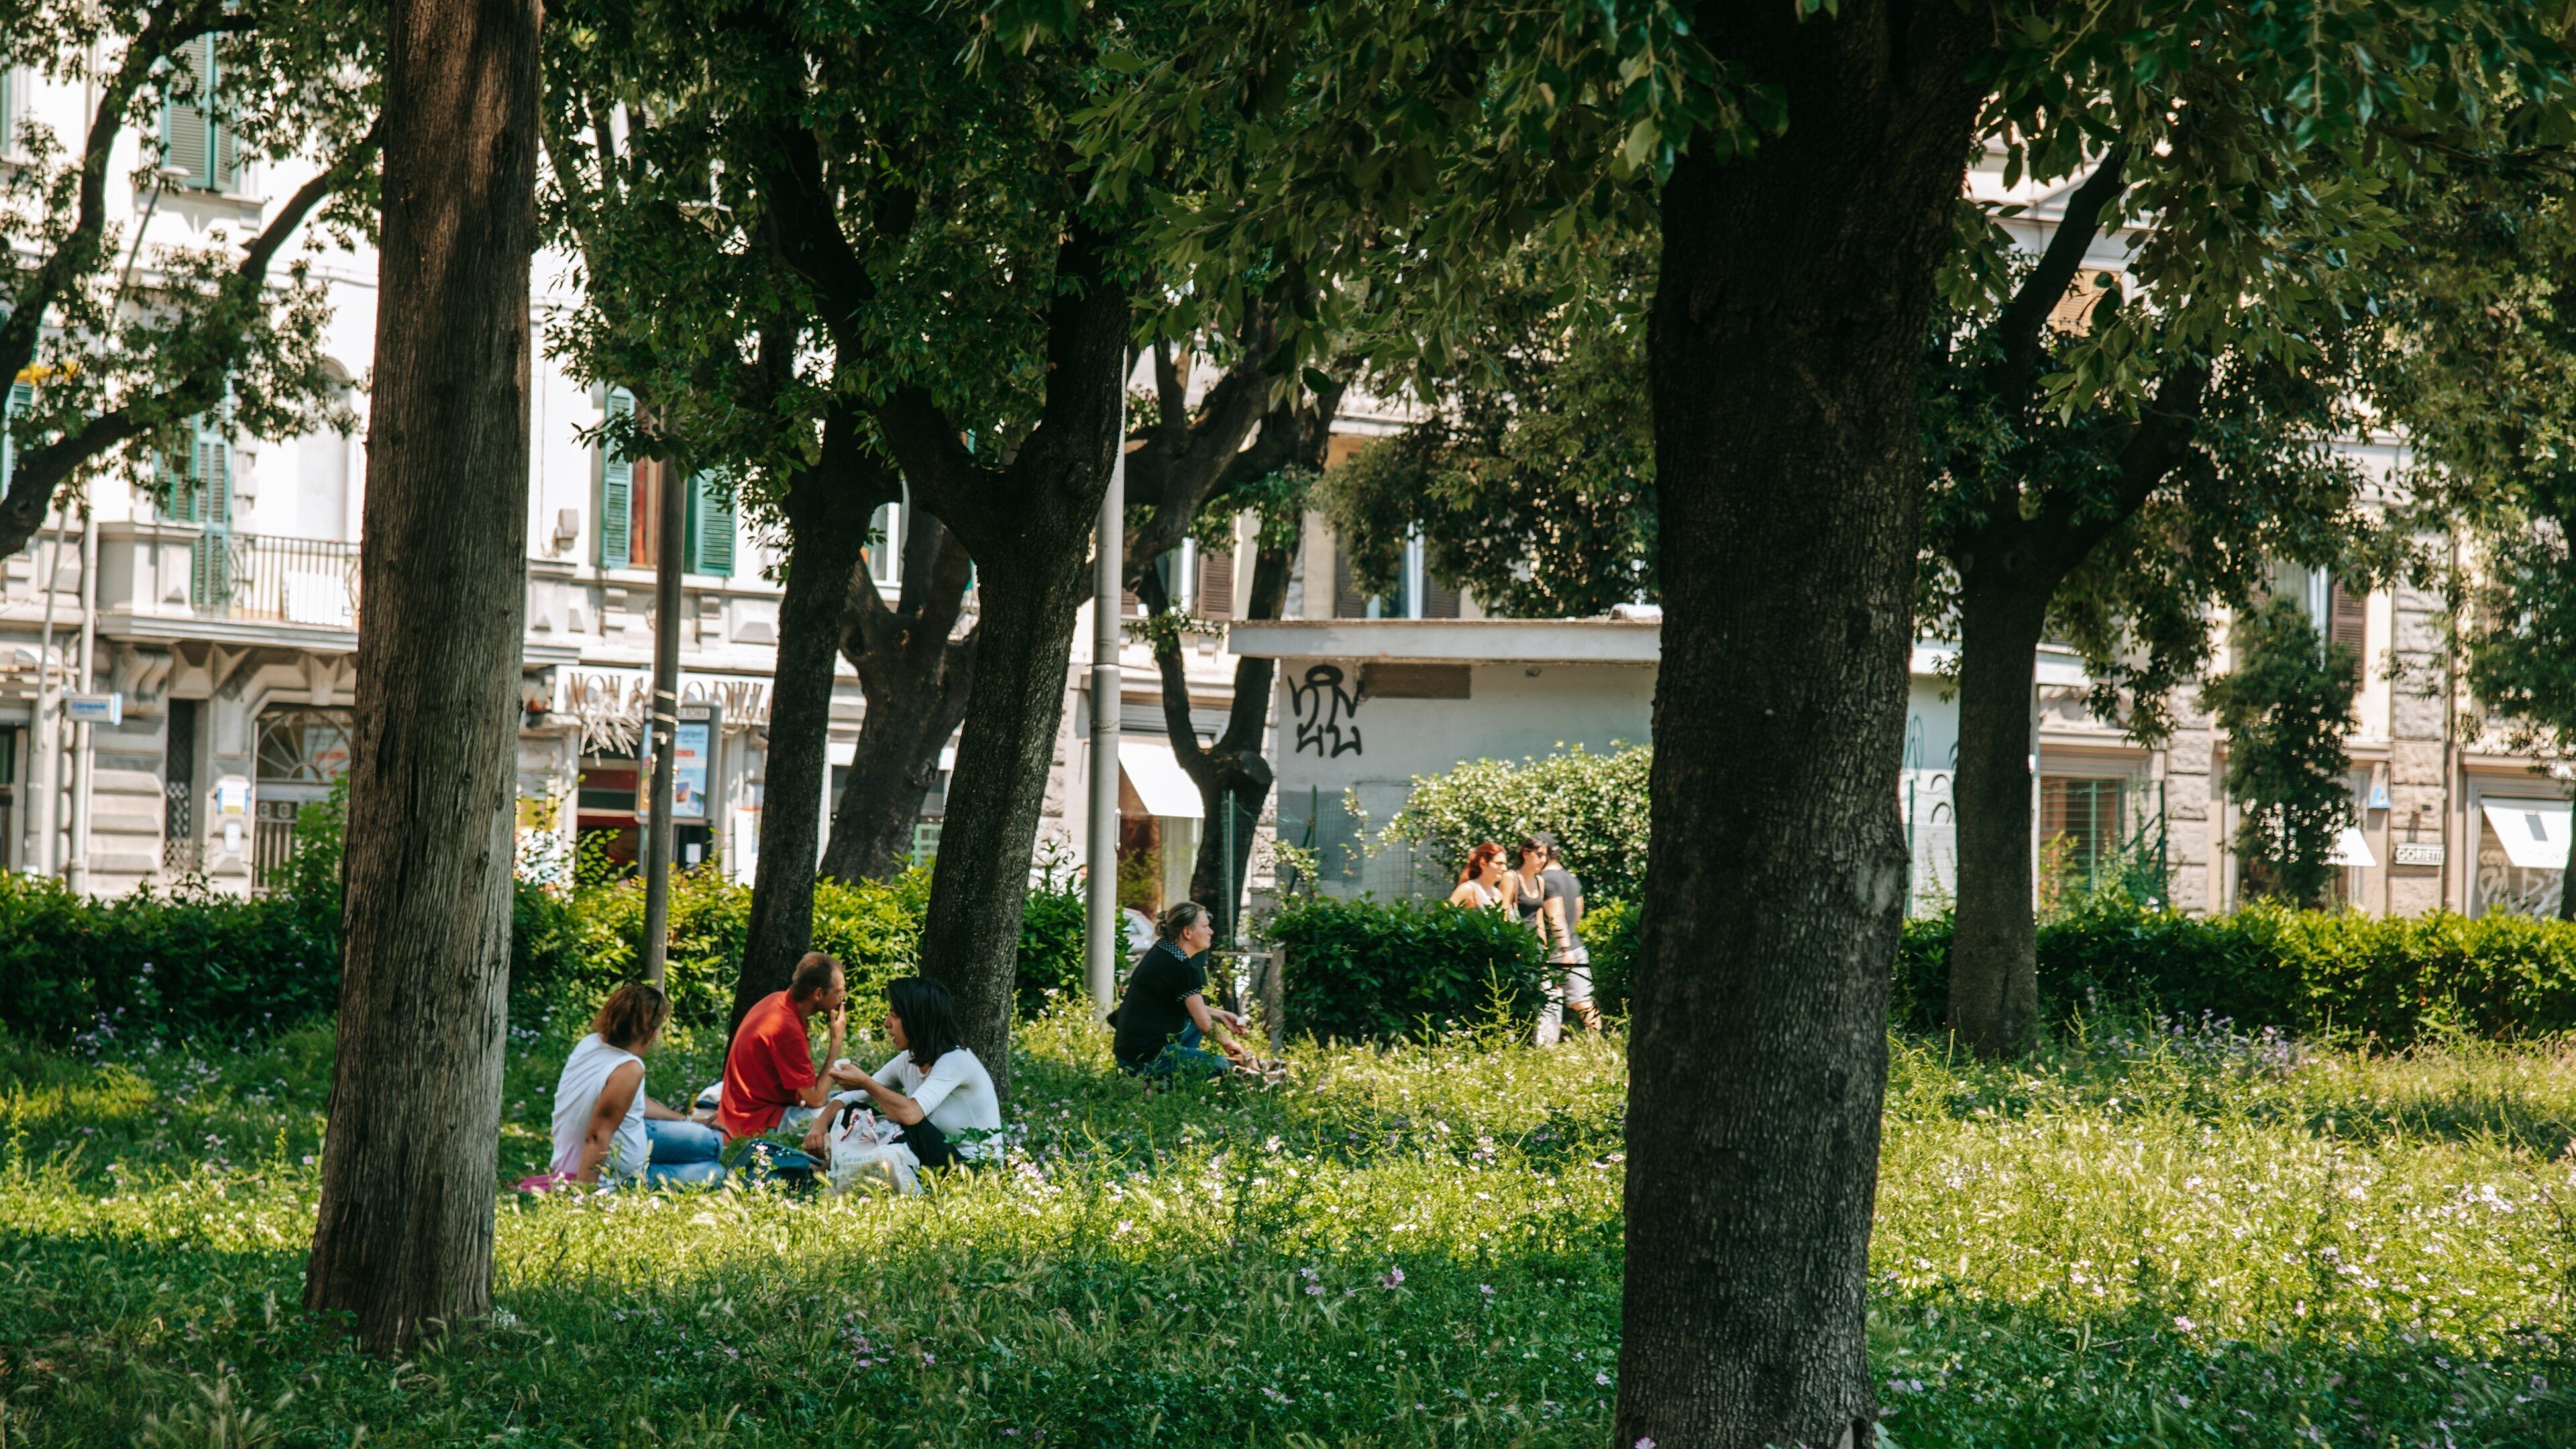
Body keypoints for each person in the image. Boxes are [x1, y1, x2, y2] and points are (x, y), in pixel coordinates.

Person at [801, 977, 1001, 1171]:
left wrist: (864, 1082)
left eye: (895, 1015)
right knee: (852, 1111)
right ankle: (833, 1170)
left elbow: (910, 1114)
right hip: (935, 1158)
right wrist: (820, 1125)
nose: (887, 1023)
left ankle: (837, 1171)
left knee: (909, 1125)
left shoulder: (955, 1061)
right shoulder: (910, 1058)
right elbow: (852, 1098)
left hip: (974, 1168)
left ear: (917, 1020)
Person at [549, 982, 724, 1186]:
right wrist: (585, 1194)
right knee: (716, 1173)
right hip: (614, 1176)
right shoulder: (629, 1069)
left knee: (709, 1140)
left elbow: (630, 1101)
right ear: (651, 1033)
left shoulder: (590, 1043)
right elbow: (597, 1136)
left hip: (613, 1145)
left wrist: (686, 1120)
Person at [1112, 901, 1250, 1079]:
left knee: (1192, 1022)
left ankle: (1168, 1074)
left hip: (1128, 1051)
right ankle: (1158, 1081)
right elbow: (1205, 1025)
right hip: (1145, 1059)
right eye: (1206, 926)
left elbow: (1179, 1005)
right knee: (1220, 1064)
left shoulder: (1163, 950)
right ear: (1187, 932)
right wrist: (1230, 1043)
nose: (1211, 932)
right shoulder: (1182, 968)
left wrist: (1219, 1014)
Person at [718, 951, 847, 1139]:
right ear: (818, 994)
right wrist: (836, 1043)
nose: (843, 996)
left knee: (849, 1098)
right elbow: (816, 1100)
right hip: (754, 1122)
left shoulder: (778, 1000)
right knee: (844, 1114)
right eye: (839, 991)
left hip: (747, 1111)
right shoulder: (787, 1028)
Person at [1516, 833, 1599, 1044]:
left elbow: (1554, 916)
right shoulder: (1571, 878)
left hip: (1558, 950)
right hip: (1575, 944)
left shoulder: (1546, 880)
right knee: (1584, 1002)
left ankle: (1545, 1048)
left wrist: (1562, 947)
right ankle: (1600, 1045)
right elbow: (1579, 911)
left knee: (1550, 1000)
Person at [1448, 841, 1511, 908]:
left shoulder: (1497, 894)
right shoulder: (1468, 889)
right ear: (1482, 863)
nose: (1504, 868)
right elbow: (1445, 915)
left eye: (1505, 864)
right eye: (1498, 863)